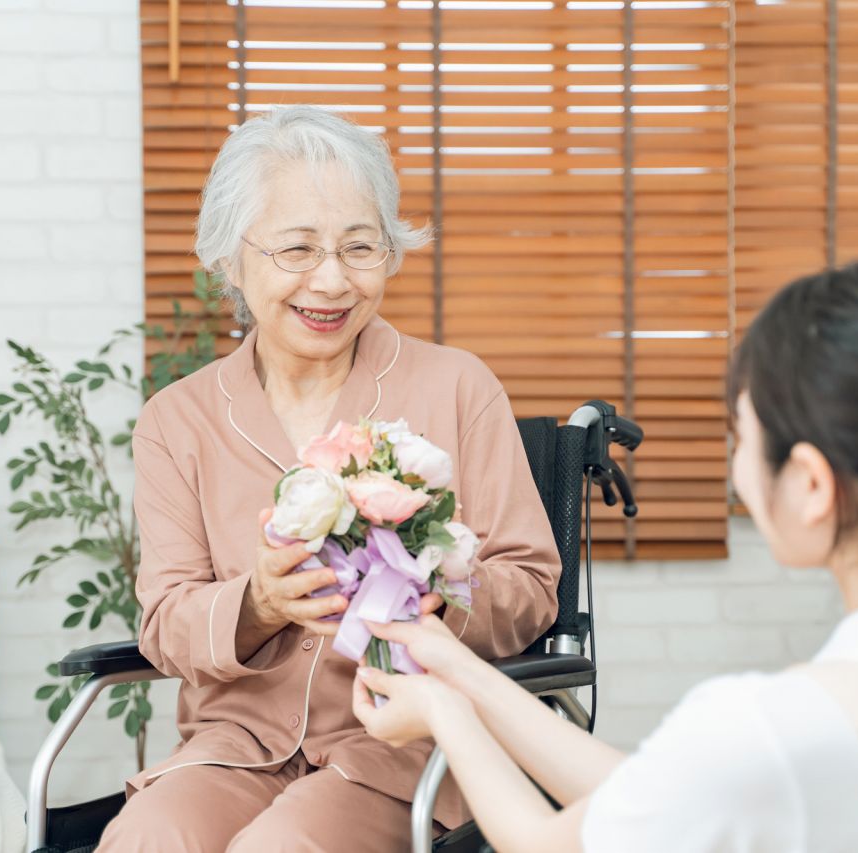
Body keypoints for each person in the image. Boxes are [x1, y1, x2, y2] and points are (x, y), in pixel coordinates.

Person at [353, 256, 858, 851]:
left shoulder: (774, 728)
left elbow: (548, 843)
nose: (736, 466)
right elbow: (654, 793)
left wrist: (442, 712)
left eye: (742, 435)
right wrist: (456, 668)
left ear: (811, 485)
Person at [96, 104, 561, 851]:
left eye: (358, 247)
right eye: (298, 250)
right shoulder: (176, 420)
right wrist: (259, 602)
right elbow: (166, 621)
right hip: (236, 746)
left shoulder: (458, 387)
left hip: (401, 747)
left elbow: (531, 586)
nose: (333, 280)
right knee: (148, 840)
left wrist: (441, 594)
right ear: (229, 258)